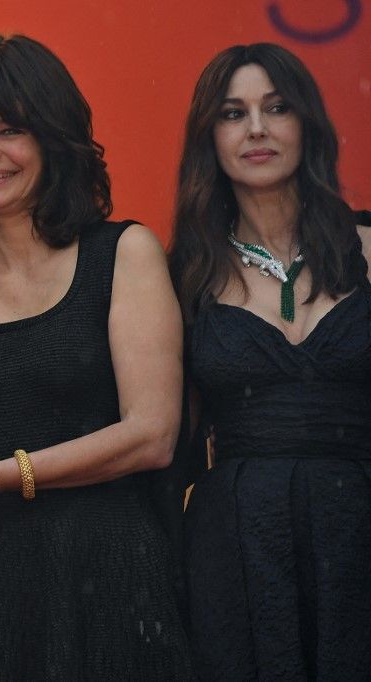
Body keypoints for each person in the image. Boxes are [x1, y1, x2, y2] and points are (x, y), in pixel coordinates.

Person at [0, 34, 193, 679]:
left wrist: (0, 474)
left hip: (110, 578)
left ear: (54, 142)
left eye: (10, 130)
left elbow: (153, 434)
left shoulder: (124, 255)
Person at [168, 43, 371, 679]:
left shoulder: (370, 244)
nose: (256, 129)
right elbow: (165, 435)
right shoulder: (184, 275)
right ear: (211, 138)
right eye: (233, 113)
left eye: (275, 108)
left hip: (361, 525)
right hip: (236, 540)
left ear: (306, 124)